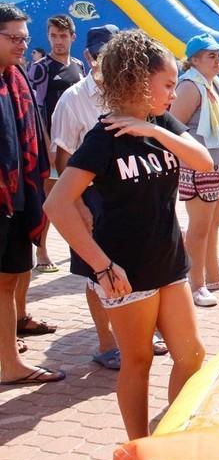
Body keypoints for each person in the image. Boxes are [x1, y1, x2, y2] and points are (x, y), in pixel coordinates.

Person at [46, 29, 213, 437]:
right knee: (138, 362)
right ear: (139, 79)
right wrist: (102, 267)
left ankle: (169, 440)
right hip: (124, 268)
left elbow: (204, 161)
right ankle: (139, 450)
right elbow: (56, 205)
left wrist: (154, 131)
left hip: (168, 259)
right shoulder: (104, 137)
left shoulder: (163, 124)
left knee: (192, 354)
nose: (174, 93)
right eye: (168, 84)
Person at [48, 25, 131, 368]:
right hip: (90, 195)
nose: (106, 63)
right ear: (89, 57)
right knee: (96, 272)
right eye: (100, 56)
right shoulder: (73, 100)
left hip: (126, 193)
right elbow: (62, 157)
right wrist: (79, 205)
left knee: (131, 266)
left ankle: (133, 335)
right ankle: (106, 342)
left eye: (113, 56)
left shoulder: (129, 93)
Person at [0, 3, 65, 386]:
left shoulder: (17, 78)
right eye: (13, 38)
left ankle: (9, 364)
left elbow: (32, 139)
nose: (22, 45)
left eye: (25, 39)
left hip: (15, 198)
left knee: (9, 279)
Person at [170, 34, 219, 307]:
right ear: (194, 60)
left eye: (218, 55)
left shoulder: (213, 85)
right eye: (211, 56)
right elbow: (173, 126)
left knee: (213, 223)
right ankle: (196, 284)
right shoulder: (190, 86)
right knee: (199, 227)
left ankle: (213, 276)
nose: (218, 60)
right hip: (199, 167)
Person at [27, 14, 85, 275]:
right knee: (50, 200)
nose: (58, 41)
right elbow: (35, 109)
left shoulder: (79, 66)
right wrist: (49, 145)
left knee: (79, 197)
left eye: (63, 36)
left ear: (72, 36)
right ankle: (41, 250)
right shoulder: (40, 68)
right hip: (51, 145)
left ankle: (82, 248)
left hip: (78, 145)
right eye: (53, 36)